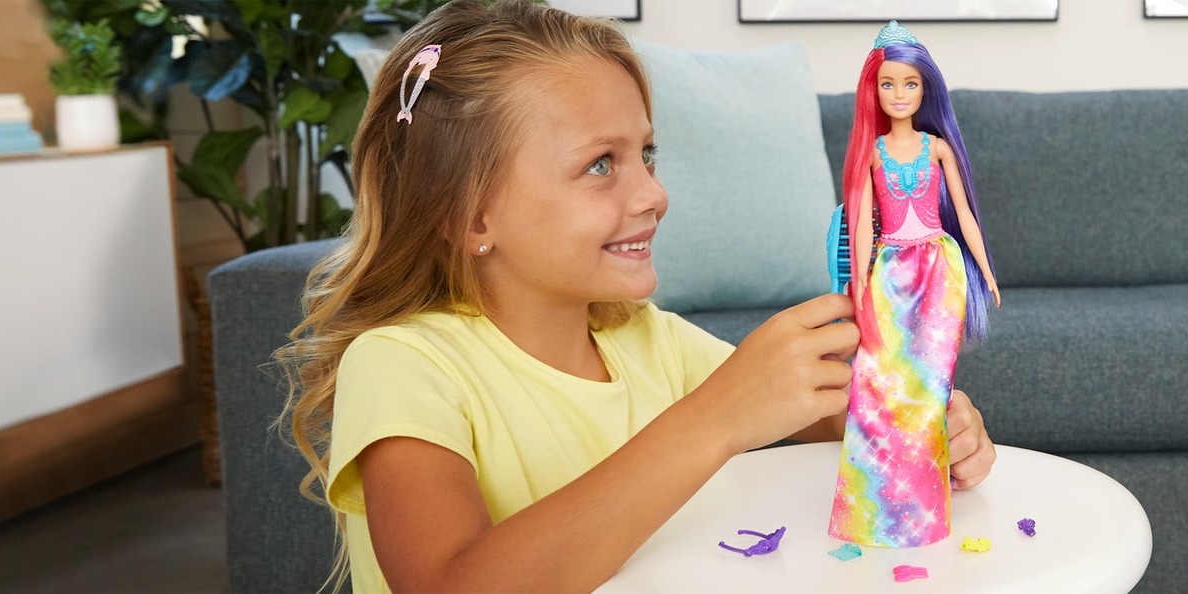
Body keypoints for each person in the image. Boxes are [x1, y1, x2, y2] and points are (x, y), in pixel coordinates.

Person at [271, 2, 997, 591]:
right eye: (600, 164)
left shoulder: (648, 340)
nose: (653, 193)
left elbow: (820, 411)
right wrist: (715, 419)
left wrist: (911, 420)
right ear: (469, 216)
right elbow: (449, 584)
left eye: (646, 154)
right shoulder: (402, 366)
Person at [829, 20, 1001, 548]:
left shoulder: (937, 148)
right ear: (874, 90)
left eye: (910, 83)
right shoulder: (871, 153)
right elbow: (861, 226)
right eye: (889, 84)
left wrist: (985, 271)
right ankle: (875, 509)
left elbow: (964, 215)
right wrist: (860, 283)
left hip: (938, 270)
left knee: (927, 390)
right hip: (889, 272)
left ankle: (923, 511)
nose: (899, 93)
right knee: (878, 383)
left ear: (926, 89)